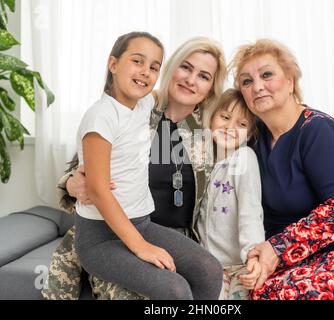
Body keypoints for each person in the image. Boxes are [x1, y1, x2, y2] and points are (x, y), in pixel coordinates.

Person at [42, 36, 227, 300]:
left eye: (204, 76)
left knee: (208, 271)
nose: (191, 79)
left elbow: (255, 114)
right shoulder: (139, 106)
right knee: (166, 291)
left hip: (160, 231)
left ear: (211, 88)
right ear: (171, 69)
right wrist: (72, 182)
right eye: (186, 67)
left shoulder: (214, 128)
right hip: (112, 232)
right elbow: (84, 170)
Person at [230, 39, 334, 300]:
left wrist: (277, 248)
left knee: (282, 295)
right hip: (303, 260)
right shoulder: (253, 143)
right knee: (235, 290)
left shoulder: (318, 129)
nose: (257, 86)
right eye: (246, 81)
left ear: (290, 82)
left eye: (267, 74)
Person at [196, 88, 265, 300]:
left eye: (242, 124)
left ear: (250, 133)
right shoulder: (203, 161)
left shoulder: (244, 157)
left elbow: (250, 211)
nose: (230, 127)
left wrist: (253, 255)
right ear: (211, 118)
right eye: (224, 117)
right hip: (209, 265)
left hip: (240, 264)